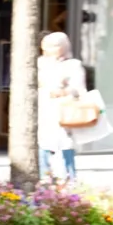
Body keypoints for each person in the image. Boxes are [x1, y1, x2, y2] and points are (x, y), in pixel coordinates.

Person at [37, 31, 85, 179]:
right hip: (44, 110)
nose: (48, 50)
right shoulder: (40, 63)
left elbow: (79, 89)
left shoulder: (73, 65)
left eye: (54, 46)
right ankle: (44, 178)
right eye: (46, 47)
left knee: (65, 144)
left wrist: (63, 91)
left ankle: (71, 178)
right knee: (43, 144)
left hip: (64, 111)